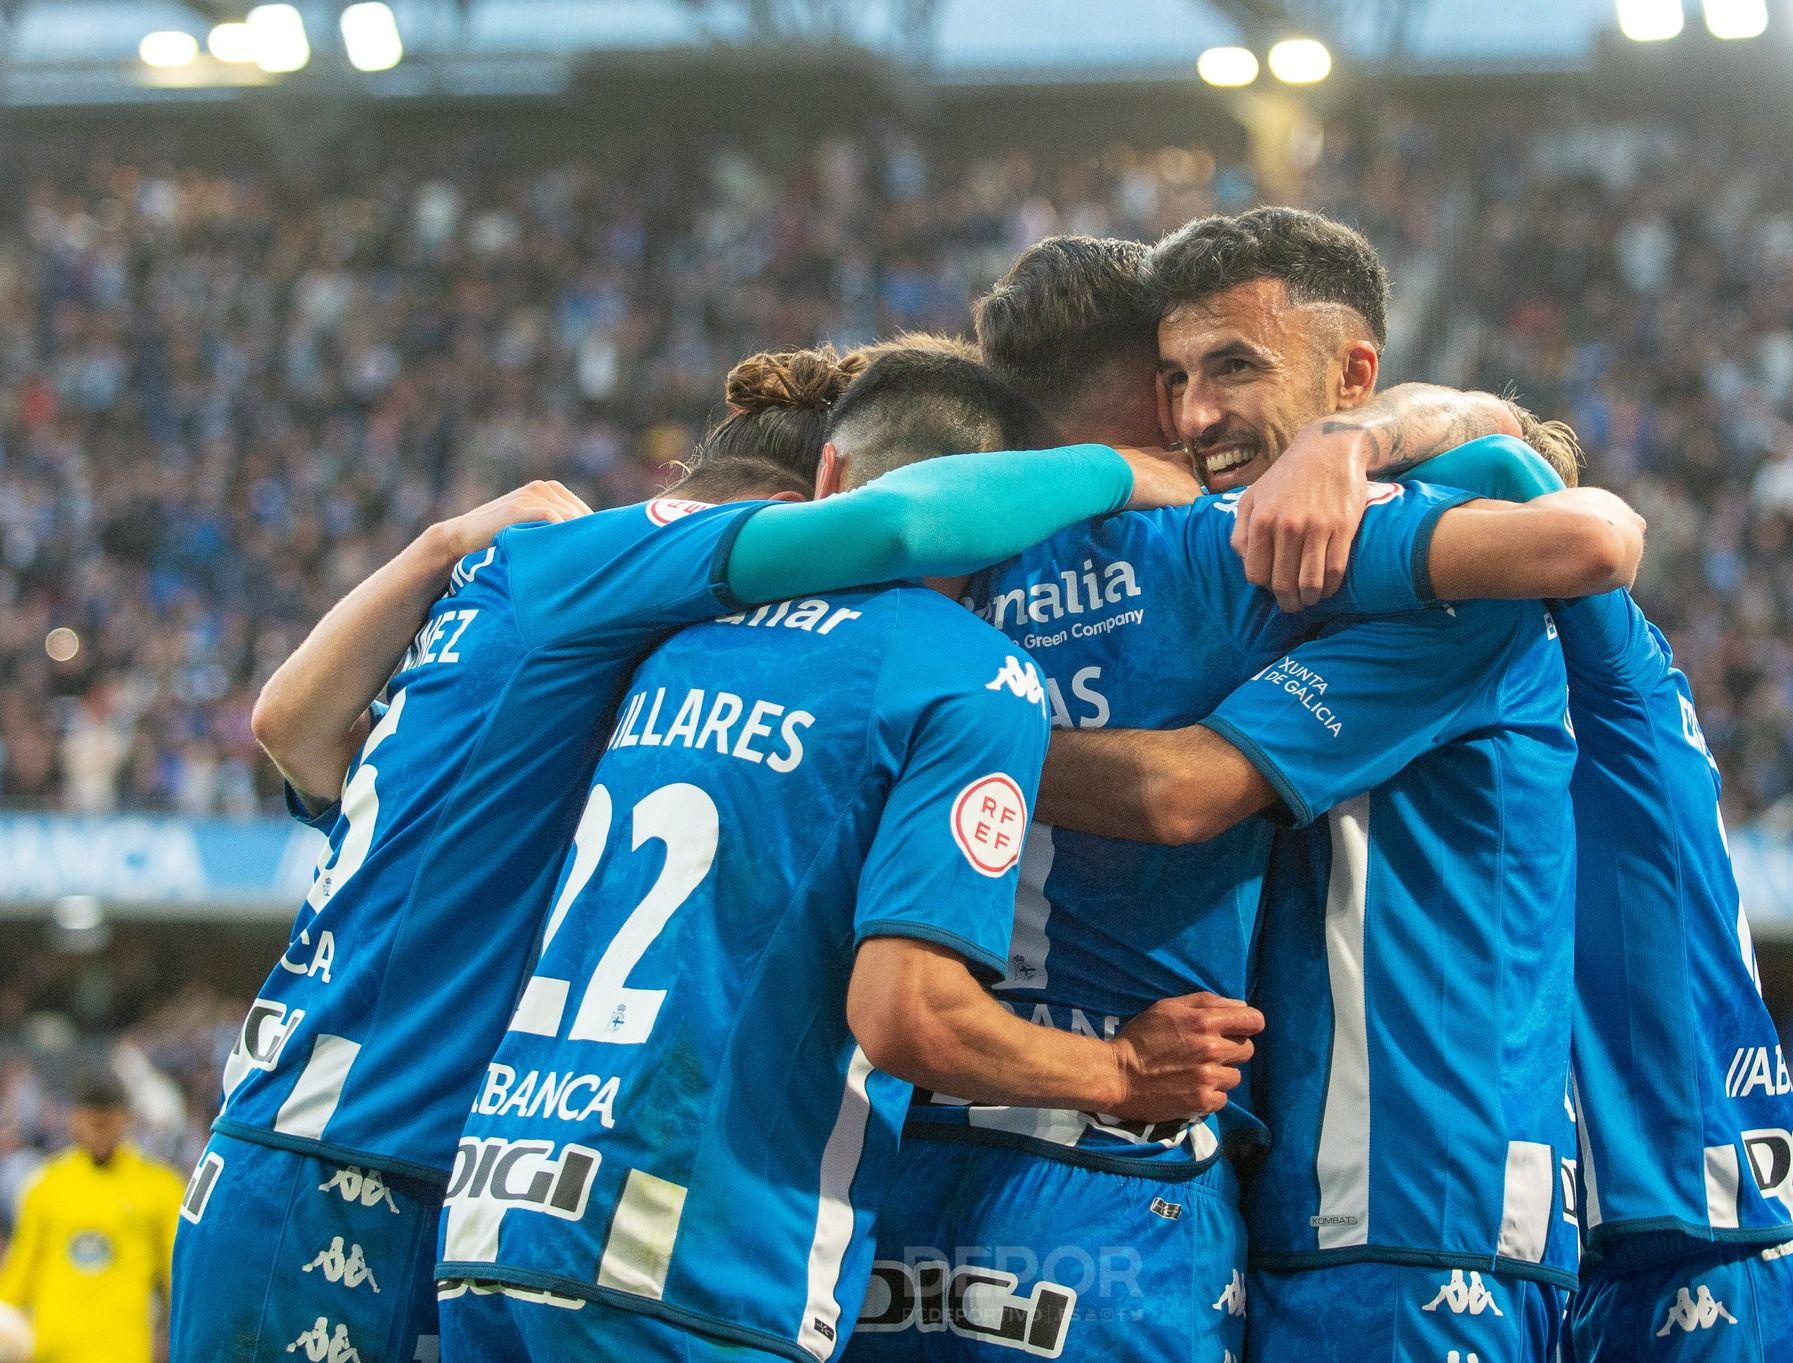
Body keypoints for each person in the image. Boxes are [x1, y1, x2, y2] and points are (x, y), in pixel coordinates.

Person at [168, 347, 1204, 1363]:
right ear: (811, 500)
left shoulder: (516, 602)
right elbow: (895, 525)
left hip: (335, 1155)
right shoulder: (632, 560)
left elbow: (289, 729)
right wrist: (1119, 469)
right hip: (373, 1166)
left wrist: (439, 543)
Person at [847, 235, 1639, 1361]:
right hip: (1166, 1197)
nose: (1196, 416)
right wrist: (1352, 440)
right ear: (1140, 387)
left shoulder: (896, 587)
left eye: (1226, 372)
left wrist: (912, 751)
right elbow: (1583, 527)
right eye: (1174, 381)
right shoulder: (1223, 549)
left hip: (894, 1191)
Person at [1499, 425, 1793, 1363]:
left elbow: (1553, 505)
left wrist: (1354, 444)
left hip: (1709, 1248)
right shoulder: (1544, 715)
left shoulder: (1621, 677)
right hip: (1623, 1259)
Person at [0, 1071, 182, 1363]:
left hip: (124, 1351)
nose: (99, 1133)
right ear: (74, 1120)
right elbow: (20, 1271)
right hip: (53, 1351)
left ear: (125, 1120)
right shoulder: (47, 1185)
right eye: (90, 1123)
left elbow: (178, 1276)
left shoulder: (160, 1188)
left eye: (107, 1124)